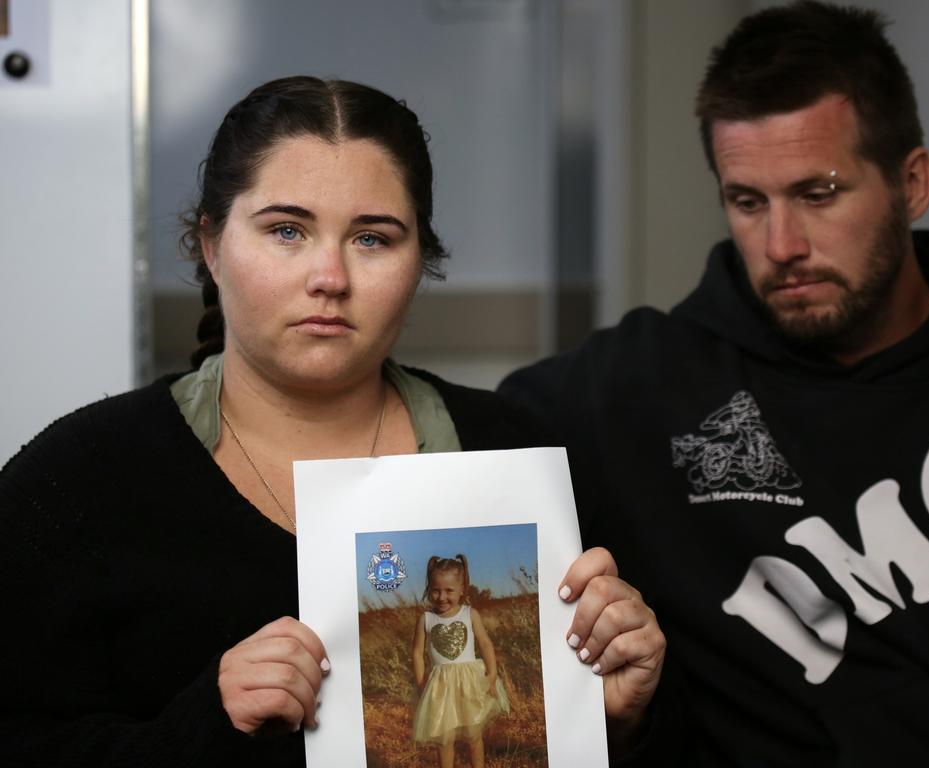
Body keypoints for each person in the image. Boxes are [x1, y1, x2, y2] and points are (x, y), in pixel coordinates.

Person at [0, 76, 664, 766]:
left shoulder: (519, 463)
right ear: (211, 244)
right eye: (286, 230)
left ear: (420, 262)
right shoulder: (79, 483)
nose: (330, 276)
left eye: (372, 239)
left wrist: (619, 720)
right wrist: (203, 725)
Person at [499, 2, 929, 764]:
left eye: (819, 194)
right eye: (748, 202)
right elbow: (427, 445)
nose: (782, 245)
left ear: (912, 183)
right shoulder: (640, 385)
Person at [411, 554, 509, 768]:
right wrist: (420, 682)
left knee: (474, 736)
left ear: (462, 588)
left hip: (470, 683)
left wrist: (491, 675)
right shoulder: (425, 619)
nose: (441, 597)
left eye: (449, 591)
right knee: (444, 739)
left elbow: (485, 644)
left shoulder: (469, 614)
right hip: (440, 687)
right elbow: (417, 653)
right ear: (429, 588)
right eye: (436, 590)